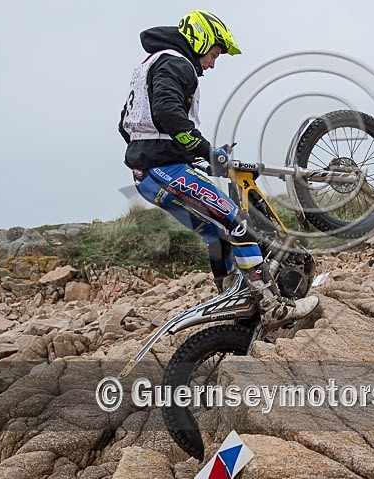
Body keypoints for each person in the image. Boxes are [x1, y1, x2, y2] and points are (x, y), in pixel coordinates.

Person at [118, 10, 319, 330]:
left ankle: (232, 297)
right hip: (162, 169)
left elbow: (128, 125)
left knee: (218, 232)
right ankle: (272, 305)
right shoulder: (177, 63)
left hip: (151, 170)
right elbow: (167, 114)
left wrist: (190, 153)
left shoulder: (153, 63)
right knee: (238, 224)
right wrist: (204, 151)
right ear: (200, 40)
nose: (212, 64)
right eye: (214, 54)